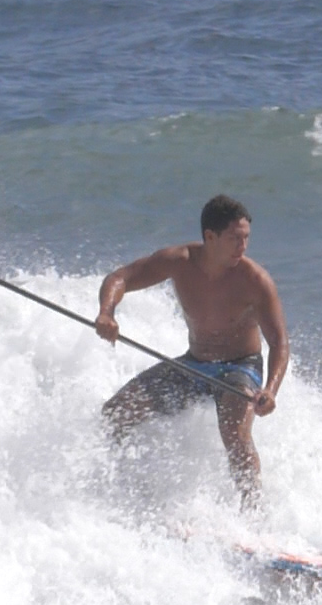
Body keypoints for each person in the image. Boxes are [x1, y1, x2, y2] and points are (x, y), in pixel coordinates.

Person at [96, 194, 288, 506]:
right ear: (210, 237)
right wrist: (107, 313)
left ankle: (253, 513)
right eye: (234, 239)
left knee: (234, 432)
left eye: (246, 238)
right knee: (115, 413)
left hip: (240, 368)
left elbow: (279, 342)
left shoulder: (255, 281)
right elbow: (120, 278)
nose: (243, 247)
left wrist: (270, 389)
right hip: (194, 364)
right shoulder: (179, 261)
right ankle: (128, 493)